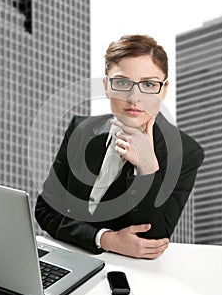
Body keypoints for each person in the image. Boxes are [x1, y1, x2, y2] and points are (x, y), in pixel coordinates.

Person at [35, 35, 204, 259]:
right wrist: (107, 239)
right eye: (123, 82)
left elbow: (150, 244)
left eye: (149, 84)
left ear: (163, 90)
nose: (135, 98)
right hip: (67, 258)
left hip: (130, 275)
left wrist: (147, 169)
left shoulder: (185, 152)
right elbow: (45, 211)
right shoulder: (81, 129)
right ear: (106, 87)